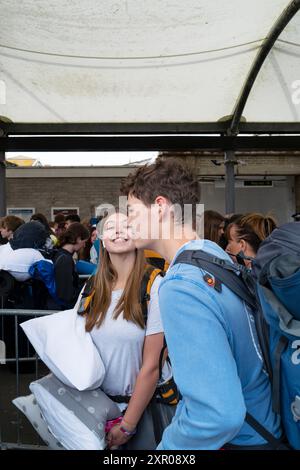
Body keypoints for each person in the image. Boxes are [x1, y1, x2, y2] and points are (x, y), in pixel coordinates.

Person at [121, 158, 281, 450]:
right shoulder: (214, 258)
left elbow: (217, 415)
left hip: (243, 442)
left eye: (131, 211)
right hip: (267, 429)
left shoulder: (182, 285)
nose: (126, 221)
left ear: (160, 207)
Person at [81, 211, 175, 449]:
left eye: (127, 226)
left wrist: (127, 425)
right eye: (111, 227)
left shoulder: (156, 285)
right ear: (101, 238)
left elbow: (152, 366)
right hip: (98, 411)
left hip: (145, 413)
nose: (119, 231)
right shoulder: (91, 287)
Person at [48, 222, 89, 310]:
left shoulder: (60, 254)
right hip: (61, 309)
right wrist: (86, 286)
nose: (84, 245)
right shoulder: (65, 259)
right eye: (84, 241)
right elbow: (66, 294)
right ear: (78, 239)